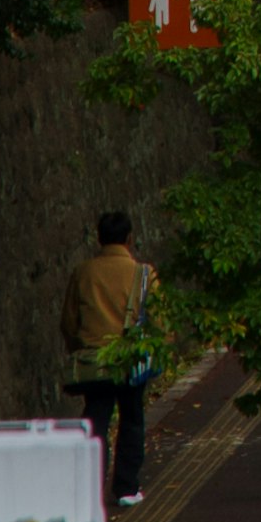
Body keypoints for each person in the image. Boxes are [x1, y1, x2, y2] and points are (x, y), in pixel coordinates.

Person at [68, 202, 158, 506]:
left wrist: (79, 346)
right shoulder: (143, 275)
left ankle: (92, 487)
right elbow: (160, 321)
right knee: (132, 418)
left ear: (99, 239)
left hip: (94, 360)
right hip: (130, 359)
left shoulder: (83, 272)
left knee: (96, 421)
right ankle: (126, 488)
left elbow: (69, 321)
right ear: (130, 239)